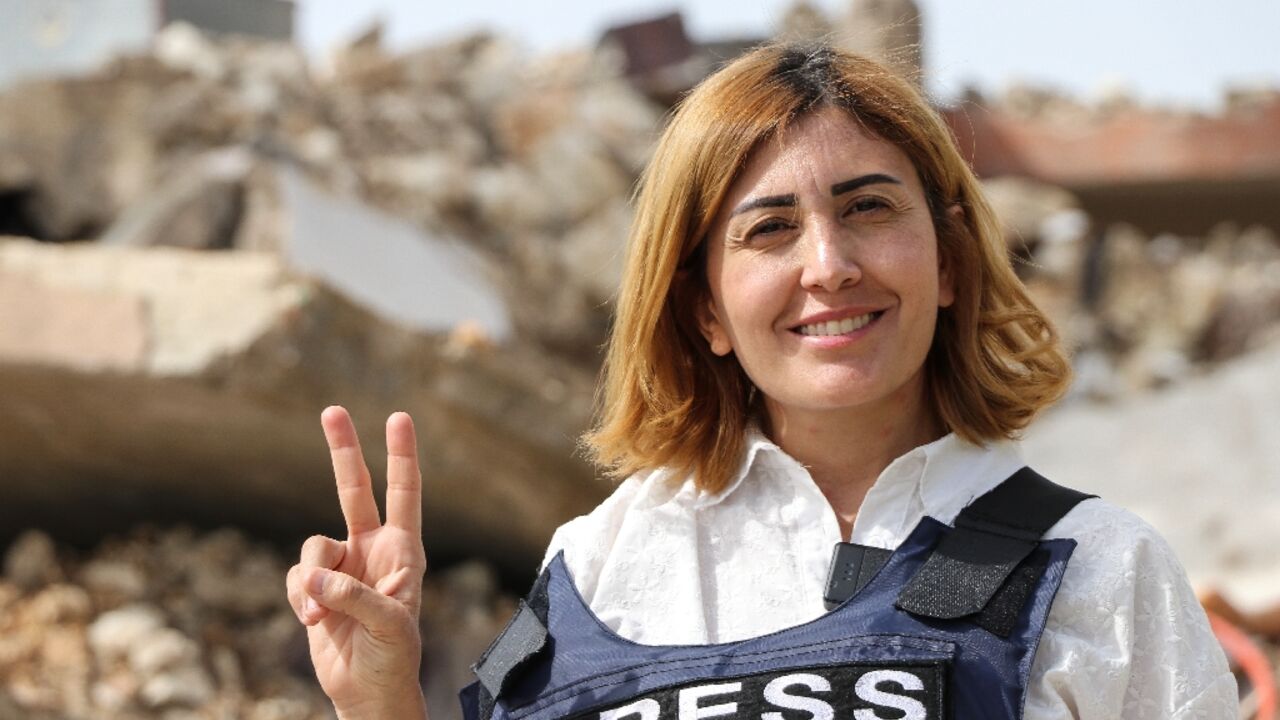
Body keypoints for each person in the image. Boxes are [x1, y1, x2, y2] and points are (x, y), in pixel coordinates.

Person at [285, 44, 1238, 719]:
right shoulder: (602, 566)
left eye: (869, 209)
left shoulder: (1099, 568)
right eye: (769, 229)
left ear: (949, 263)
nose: (829, 266)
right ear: (704, 308)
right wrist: (382, 702)